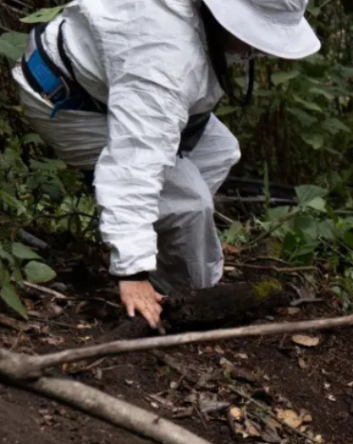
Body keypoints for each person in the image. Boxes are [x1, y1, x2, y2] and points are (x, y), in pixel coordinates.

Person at [12, 0, 321, 331]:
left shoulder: (187, 33)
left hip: (101, 81)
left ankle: (159, 251)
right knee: (189, 203)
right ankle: (180, 298)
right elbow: (133, 163)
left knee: (219, 152)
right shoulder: (164, 58)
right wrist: (132, 271)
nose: (258, 50)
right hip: (63, 97)